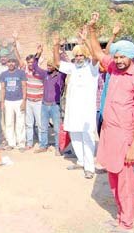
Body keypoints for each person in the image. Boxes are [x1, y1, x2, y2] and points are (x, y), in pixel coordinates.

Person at [89, 12, 134, 231]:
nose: (119, 60)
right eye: (117, 56)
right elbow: (96, 51)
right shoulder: (112, 67)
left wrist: (133, 146)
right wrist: (92, 28)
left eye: (123, 57)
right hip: (108, 133)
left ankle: (127, 223)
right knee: (113, 179)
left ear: (131, 57)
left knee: (125, 182)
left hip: (125, 137)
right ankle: (120, 214)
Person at [53, 33, 99, 179]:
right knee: (75, 134)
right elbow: (57, 63)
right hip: (73, 110)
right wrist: (55, 45)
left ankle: (90, 168)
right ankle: (81, 161)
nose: (78, 58)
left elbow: (96, 56)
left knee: (88, 138)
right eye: (76, 55)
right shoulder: (72, 67)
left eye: (81, 55)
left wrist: (86, 41)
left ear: (85, 56)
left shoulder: (92, 68)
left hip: (86, 111)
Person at [32, 56, 66, 155]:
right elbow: (35, 67)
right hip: (44, 105)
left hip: (55, 106)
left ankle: (57, 148)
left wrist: (61, 53)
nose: (48, 67)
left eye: (50, 65)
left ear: (55, 66)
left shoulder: (60, 75)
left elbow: (65, 66)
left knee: (56, 129)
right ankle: (43, 146)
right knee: (43, 127)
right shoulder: (45, 74)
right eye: (48, 65)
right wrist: (37, 55)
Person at [0, 58, 27, 150]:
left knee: (20, 122)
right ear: (6, 63)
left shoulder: (21, 73)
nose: (11, 64)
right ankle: (11, 143)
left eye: (13, 62)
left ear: (15, 63)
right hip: (8, 101)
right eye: (9, 62)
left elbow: (24, 86)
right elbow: (2, 89)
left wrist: (24, 101)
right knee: (9, 123)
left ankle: (21, 143)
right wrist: (2, 102)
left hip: (19, 100)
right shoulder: (3, 74)